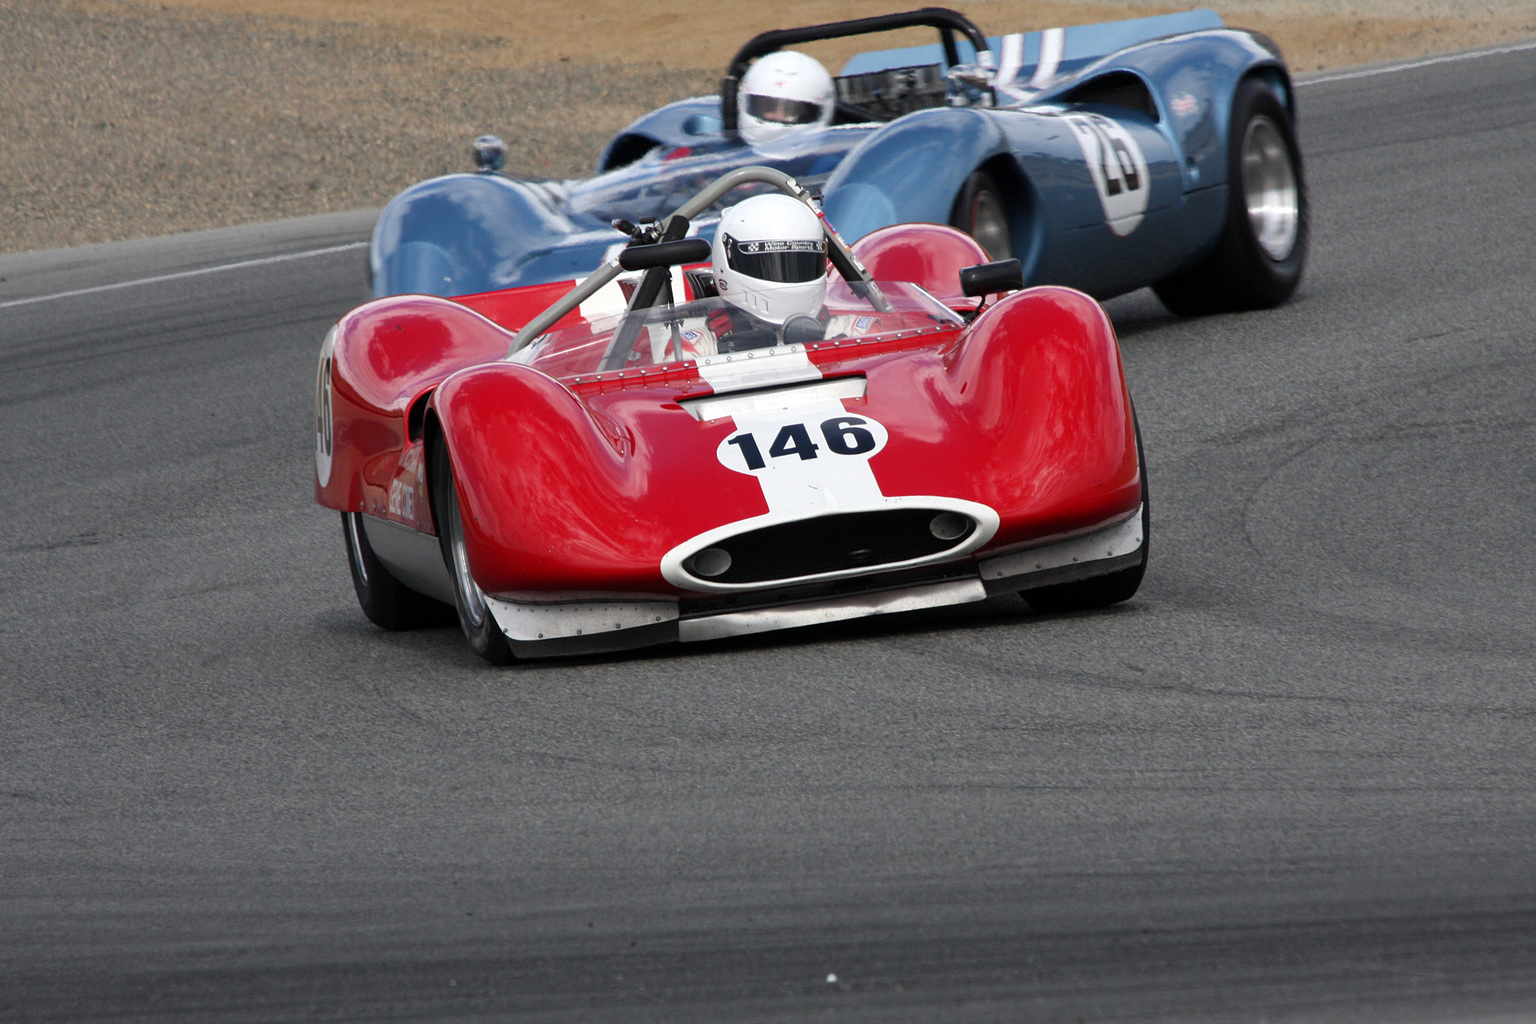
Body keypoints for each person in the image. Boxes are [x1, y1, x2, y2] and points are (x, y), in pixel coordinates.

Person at [737, 51, 836, 149]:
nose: (779, 116)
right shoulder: (725, 155)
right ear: (744, 102)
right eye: (769, 107)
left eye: (793, 112)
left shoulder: (841, 163)